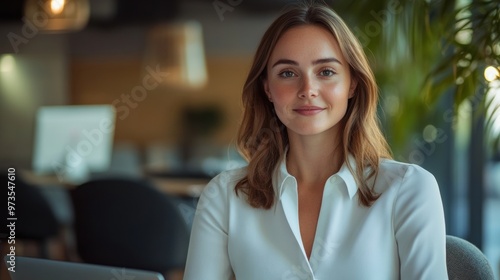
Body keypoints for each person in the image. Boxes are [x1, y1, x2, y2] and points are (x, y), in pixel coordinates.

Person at [183, 2, 448, 280]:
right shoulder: (224, 197)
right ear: (267, 89)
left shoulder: (408, 190)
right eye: (288, 73)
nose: (308, 90)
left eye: (326, 72)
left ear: (352, 83)